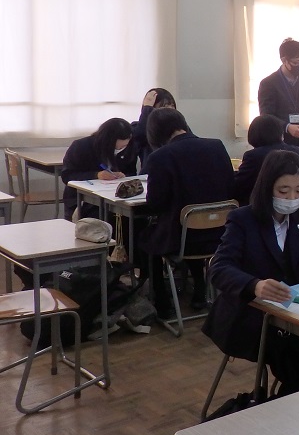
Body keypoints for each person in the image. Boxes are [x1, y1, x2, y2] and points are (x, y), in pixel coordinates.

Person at [204, 150, 299, 395]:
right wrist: (255, 285)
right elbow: (218, 268)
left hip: (295, 312)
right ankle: (291, 406)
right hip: (253, 315)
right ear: (267, 187)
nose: (292, 198)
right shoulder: (243, 220)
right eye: (283, 191)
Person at [140, 109, 235, 316]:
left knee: (145, 237)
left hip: (181, 238)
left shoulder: (160, 157)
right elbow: (230, 187)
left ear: (154, 133)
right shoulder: (216, 146)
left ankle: (162, 302)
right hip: (220, 234)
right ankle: (199, 289)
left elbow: (155, 203)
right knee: (189, 229)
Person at [60, 118, 138, 220]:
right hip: (83, 201)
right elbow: (67, 176)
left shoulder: (130, 147)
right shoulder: (81, 146)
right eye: (116, 148)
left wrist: (124, 175)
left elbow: (131, 173)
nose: (119, 150)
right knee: (99, 218)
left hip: (116, 198)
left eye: (123, 147)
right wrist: (96, 175)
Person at [257, 38, 299, 153]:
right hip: (279, 142)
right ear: (284, 60)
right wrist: (287, 127)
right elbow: (266, 116)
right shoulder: (268, 83)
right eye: (296, 63)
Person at [234, 115, 299, 206]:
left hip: (263, 207)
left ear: (253, 135)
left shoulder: (253, 155)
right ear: (280, 133)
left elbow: (239, 186)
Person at [131, 87, 177, 171]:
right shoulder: (138, 126)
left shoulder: (178, 126)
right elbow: (140, 136)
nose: (170, 109)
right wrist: (147, 108)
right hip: (152, 172)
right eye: (164, 106)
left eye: (172, 105)